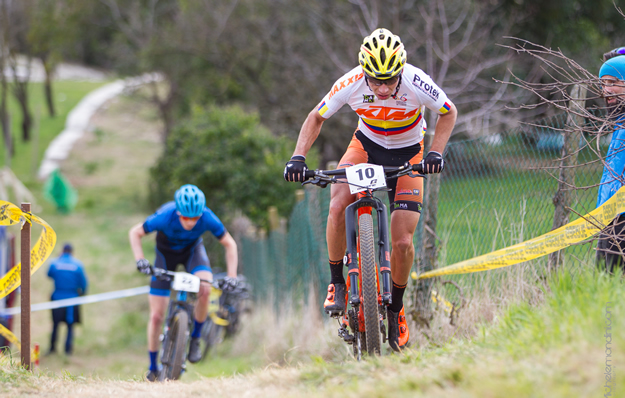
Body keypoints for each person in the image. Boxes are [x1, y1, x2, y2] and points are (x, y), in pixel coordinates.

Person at [284, 28, 457, 351]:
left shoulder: (416, 81)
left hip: (409, 154)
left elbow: (449, 111)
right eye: (374, 79)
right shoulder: (350, 82)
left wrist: (435, 152)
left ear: (401, 71)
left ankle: (396, 308)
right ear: (364, 71)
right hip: (366, 146)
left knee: (403, 240)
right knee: (337, 204)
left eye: (389, 80)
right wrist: (298, 157)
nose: (381, 87)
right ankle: (337, 282)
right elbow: (315, 117)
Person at [129, 184, 238, 381]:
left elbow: (230, 244)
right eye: (186, 217)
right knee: (156, 316)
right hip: (165, 255)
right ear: (178, 212)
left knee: (205, 288)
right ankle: (153, 367)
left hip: (192, 254)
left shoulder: (207, 217)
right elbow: (135, 233)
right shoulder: (165, 215)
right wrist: (140, 260)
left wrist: (232, 276)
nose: (190, 222)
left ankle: (195, 338)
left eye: (195, 218)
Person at [596, 54, 625, 273]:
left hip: (622, 220)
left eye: (614, 83)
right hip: (608, 217)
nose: (607, 90)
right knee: (603, 284)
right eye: (603, 83)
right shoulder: (618, 124)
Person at [47, 243, 88, 355]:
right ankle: (68, 350)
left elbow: (49, 274)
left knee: (55, 324)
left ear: (62, 251)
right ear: (72, 252)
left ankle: (52, 348)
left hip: (57, 298)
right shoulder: (78, 265)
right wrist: (82, 294)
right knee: (70, 326)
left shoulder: (55, 263)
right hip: (72, 299)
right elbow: (83, 284)